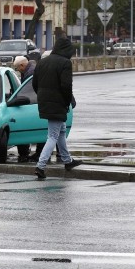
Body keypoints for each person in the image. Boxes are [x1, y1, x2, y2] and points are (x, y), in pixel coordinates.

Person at [31, 37, 83, 179]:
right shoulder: (65, 63)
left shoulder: (43, 61)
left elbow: (34, 83)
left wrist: (43, 97)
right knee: (53, 135)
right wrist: (67, 101)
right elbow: (66, 86)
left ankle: (67, 161)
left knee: (61, 130)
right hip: (58, 102)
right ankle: (40, 166)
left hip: (45, 101)